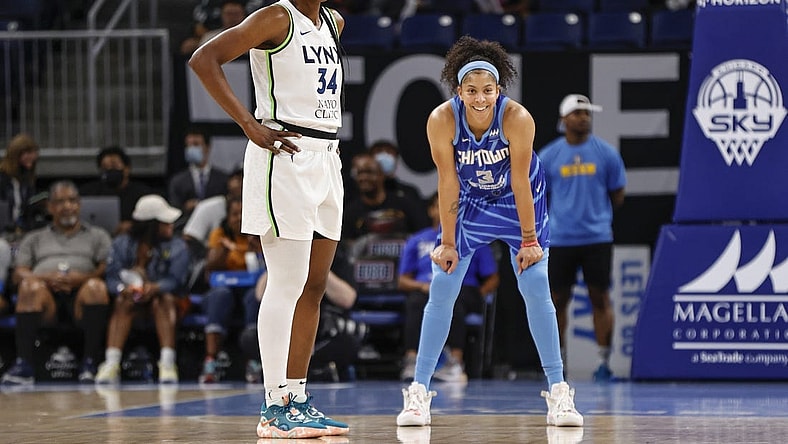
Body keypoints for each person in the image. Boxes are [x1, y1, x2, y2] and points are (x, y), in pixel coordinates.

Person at [396, 36, 583, 428]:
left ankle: (559, 392)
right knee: (442, 287)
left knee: (535, 289)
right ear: (458, 90)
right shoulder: (441, 119)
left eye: (487, 90)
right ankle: (418, 393)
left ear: (498, 89)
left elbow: (521, 183)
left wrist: (530, 240)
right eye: (471, 91)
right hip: (470, 204)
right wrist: (447, 242)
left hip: (519, 204)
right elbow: (447, 182)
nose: (480, 98)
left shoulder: (517, 118)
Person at [188, 0, 349, 438]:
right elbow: (204, 60)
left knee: (315, 286)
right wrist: (248, 124)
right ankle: (273, 405)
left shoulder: (334, 20)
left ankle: (296, 397)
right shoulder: (275, 17)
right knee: (286, 283)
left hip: (327, 156)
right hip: (284, 154)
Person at [538, 94, 626, 382]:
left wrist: (594, 217)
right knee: (557, 299)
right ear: (564, 120)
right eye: (577, 113)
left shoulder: (606, 153)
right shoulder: (549, 156)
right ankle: (557, 364)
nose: (584, 117)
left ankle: (603, 362)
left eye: (587, 113)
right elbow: (540, 197)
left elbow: (618, 195)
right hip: (560, 239)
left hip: (596, 238)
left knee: (599, 297)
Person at [0, 181, 112, 385]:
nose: (67, 206)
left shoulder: (98, 235)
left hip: (81, 297)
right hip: (46, 300)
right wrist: (46, 278)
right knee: (28, 286)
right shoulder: (34, 238)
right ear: (50, 207)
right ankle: (24, 364)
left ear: (79, 204)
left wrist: (82, 279)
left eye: (71, 201)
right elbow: (19, 272)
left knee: (97, 287)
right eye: (60, 202)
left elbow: (105, 269)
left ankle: (90, 362)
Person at [398, 192, 499, 383]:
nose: (445, 209)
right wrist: (421, 286)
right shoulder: (417, 240)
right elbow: (402, 281)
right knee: (414, 303)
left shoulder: (474, 239)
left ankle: (455, 363)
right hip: (425, 288)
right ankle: (412, 360)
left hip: (464, 288)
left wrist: (479, 295)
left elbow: (492, 278)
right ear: (431, 210)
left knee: (454, 301)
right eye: (439, 205)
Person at [94, 195, 191, 384]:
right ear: (151, 225)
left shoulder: (178, 246)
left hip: (165, 302)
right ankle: (112, 363)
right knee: (122, 301)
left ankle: (167, 363)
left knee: (163, 299)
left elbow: (177, 280)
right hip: (132, 300)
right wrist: (124, 289)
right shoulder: (122, 244)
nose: (171, 225)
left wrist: (156, 287)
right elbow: (112, 277)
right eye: (165, 222)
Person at [198, 195, 263, 383]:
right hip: (224, 287)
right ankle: (210, 360)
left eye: (244, 213)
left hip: (252, 287)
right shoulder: (219, 234)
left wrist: (257, 250)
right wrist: (225, 251)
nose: (240, 217)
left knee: (255, 297)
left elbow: (269, 270)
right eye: (235, 214)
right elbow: (209, 270)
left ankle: (254, 360)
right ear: (227, 217)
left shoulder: (260, 235)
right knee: (220, 296)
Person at [79, 146, 155, 236]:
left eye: (114, 166)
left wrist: (132, 226)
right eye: (105, 168)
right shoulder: (89, 192)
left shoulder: (143, 193)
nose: (110, 170)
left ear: (127, 169)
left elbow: (153, 222)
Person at [167, 126, 229, 221]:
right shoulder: (177, 181)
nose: (191, 149)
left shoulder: (222, 179)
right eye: (188, 145)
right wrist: (185, 207)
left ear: (207, 147)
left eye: (196, 144)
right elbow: (173, 209)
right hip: (184, 227)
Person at [0, 133, 42, 236]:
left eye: (33, 152)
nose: (32, 156)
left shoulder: (27, 183)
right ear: (15, 155)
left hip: (21, 233)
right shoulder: (2, 179)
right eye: (27, 152)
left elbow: (27, 212)